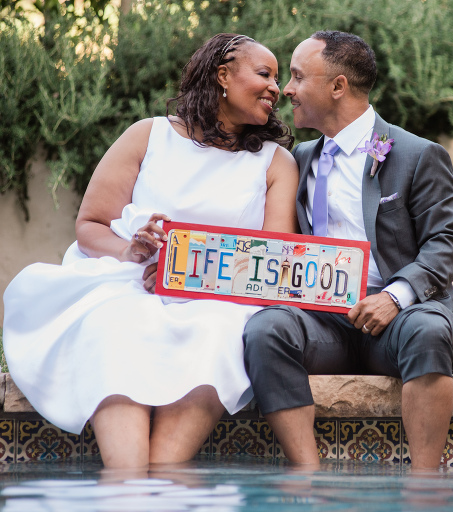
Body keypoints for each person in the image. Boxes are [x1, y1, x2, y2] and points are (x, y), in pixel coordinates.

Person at [2, 33, 299, 468]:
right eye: (265, 74)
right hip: (131, 284)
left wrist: (191, 267)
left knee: (217, 333)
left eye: (278, 78)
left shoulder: (275, 162)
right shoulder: (149, 135)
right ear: (222, 75)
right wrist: (131, 250)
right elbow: (90, 225)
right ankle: (127, 482)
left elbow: (270, 259)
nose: (277, 87)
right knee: (117, 319)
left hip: (220, 299)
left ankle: (161, 479)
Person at [242, 31, 453, 469]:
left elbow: (448, 242)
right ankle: (306, 479)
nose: (285, 89)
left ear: (337, 86)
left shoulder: (415, 155)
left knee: (428, 332)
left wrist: (394, 297)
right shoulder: (300, 158)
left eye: (296, 76)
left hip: (398, 319)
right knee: (266, 329)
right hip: (321, 323)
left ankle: (424, 488)